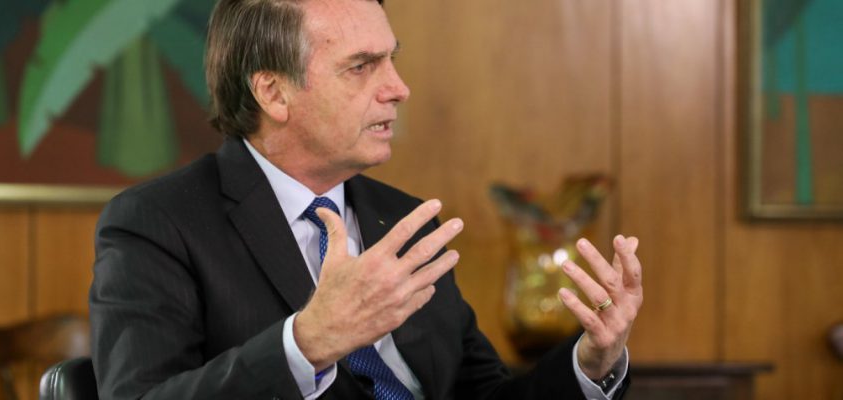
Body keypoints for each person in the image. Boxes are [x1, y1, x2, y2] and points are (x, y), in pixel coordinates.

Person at [89, 0, 644, 399]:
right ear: (273, 92)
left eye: (392, 59)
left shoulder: (407, 221)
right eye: (361, 66)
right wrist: (307, 344)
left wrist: (591, 363)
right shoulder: (157, 222)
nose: (398, 88)